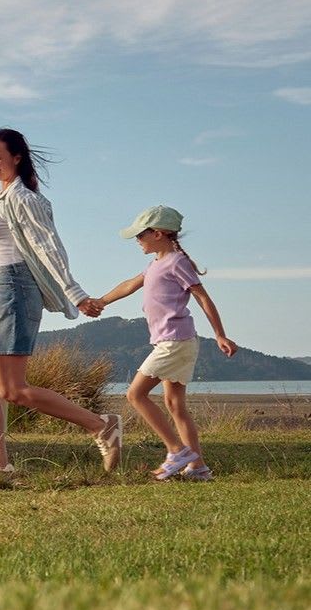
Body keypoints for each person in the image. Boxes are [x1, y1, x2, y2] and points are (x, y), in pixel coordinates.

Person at [0, 128, 122, 484]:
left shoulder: (24, 199)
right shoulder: (1, 198)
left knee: (11, 389)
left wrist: (75, 292)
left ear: (16, 157)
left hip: (14, 289)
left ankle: (101, 425)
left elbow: (49, 248)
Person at [99, 205, 237, 481]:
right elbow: (129, 284)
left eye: (141, 235)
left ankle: (176, 451)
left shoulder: (176, 262)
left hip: (174, 342)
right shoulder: (155, 264)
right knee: (175, 405)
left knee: (135, 395)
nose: (137, 240)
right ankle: (197, 467)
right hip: (175, 342)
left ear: (159, 234)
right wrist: (101, 301)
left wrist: (220, 334)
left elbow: (202, 298)